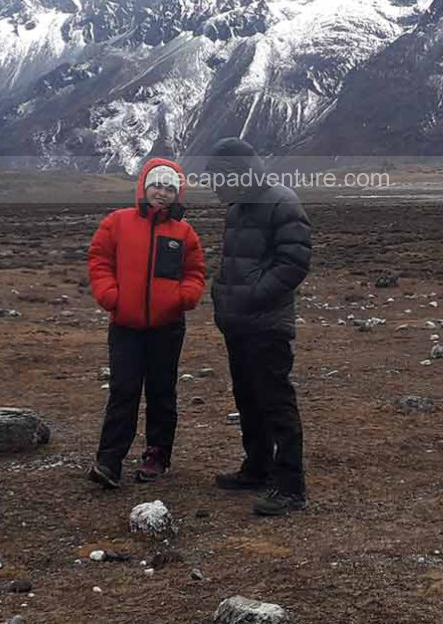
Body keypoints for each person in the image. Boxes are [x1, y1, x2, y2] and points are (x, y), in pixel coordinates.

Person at [205, 138, 312, 516]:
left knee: (275, 402)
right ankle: (257, 468)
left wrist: (252, 295)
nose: (215, 187)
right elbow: (235, 262)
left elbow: (294, 263)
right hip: (238, 324)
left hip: (267, 324)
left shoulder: (282, 201)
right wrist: (223, 297)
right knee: (247, 399)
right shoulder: (236, 207)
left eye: (219, 179)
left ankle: (291, 487)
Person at [85, 157, 206, 489]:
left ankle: (157, 455)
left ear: (178, 194)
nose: (162, 193)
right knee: (123, 391)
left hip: (168, 327)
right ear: (144, 187)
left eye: (170, 188)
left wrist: (185, 297)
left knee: (161, 392)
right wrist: (109, 295)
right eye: (157, 185)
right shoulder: (117, 222)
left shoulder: (184, 232)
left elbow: (195, 271)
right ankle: (109, 460)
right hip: (125, 325)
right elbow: (99, 259)